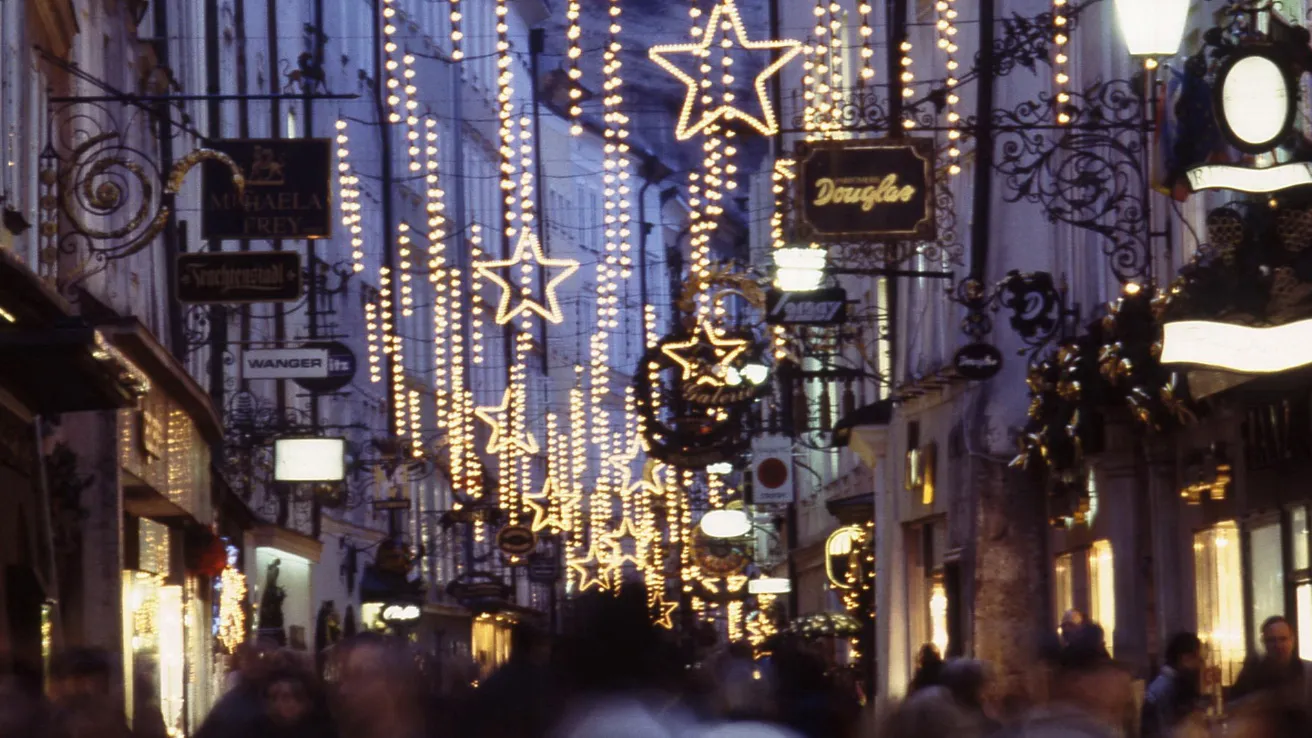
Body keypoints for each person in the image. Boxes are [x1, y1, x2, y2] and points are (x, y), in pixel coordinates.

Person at [1231, 616, 1312, 705]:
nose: (1278, 645)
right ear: (1263, 642)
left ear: (1292, 640)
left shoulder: (1308, 672)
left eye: (1283, 639)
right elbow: (1234, 704)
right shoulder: (1251, 674)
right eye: (1272, 640)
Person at [1141, 632, 1205, 738]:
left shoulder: (1170, 681)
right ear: (1186, 658)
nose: (1200, 664)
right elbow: (1172, 728)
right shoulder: (1167, 686)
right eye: (1198, 658)